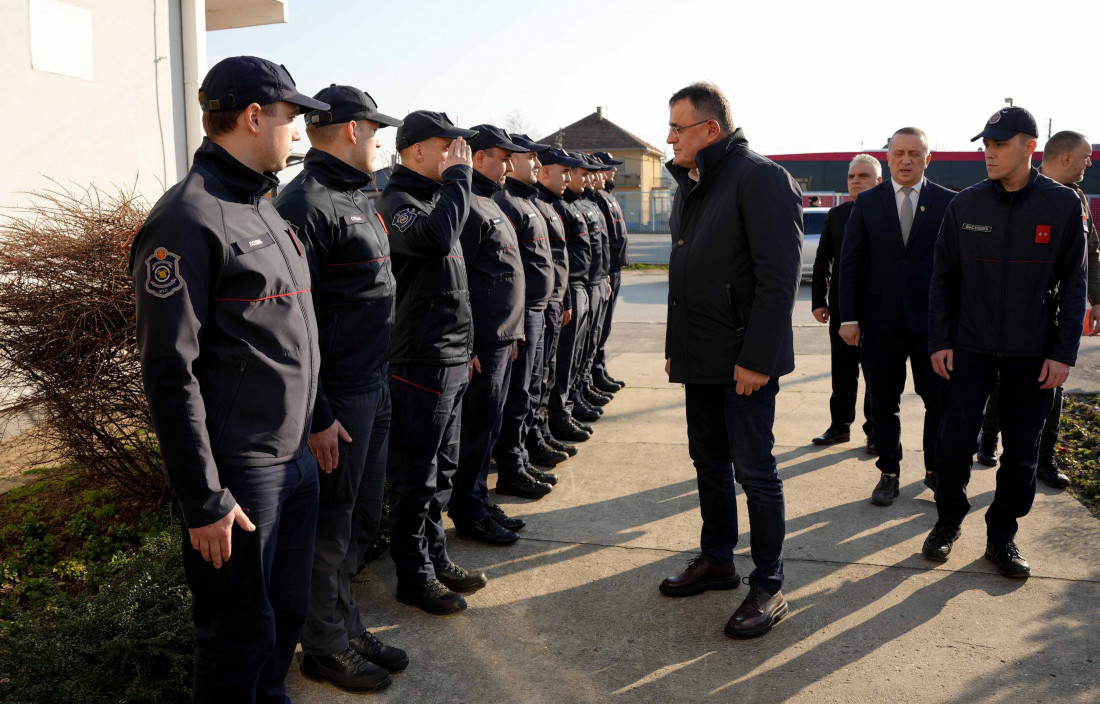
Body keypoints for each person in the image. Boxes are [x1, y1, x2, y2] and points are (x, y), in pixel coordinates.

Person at [131, 56, 328, 702]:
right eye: (291, 118)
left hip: (294, 461)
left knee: (284, 618)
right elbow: (169, 371)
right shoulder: (187, 218)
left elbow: (288, 333)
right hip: (240, 476)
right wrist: (202, 498)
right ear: (253, 117)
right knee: (235, 639)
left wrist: (319, 417)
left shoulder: (261, 205)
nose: (297, 133)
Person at [274, 84, 406, 692]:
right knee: (331, 524)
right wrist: (320, 413)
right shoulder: (304, 204)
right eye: (375, 131)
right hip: (339, 397)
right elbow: (296, 323)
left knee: (360, 519)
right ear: (353, 130)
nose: (378, 143)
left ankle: (344, 622)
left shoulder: (357, 194)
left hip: (373, 386)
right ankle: (323, 647)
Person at [660, 82, 802, 639]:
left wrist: (758, 359)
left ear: (711, 129)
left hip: (745, 363)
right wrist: (675, 348)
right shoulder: (692, 183)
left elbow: (777, 279)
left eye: (678, 128)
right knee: (709, 462)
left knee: (755, 471)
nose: (670, 138)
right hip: (699, 355)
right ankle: (718, 559)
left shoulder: (759, 177)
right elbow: (683, 277)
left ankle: (768, 584)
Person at [922, 107, 1087, 578]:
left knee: (1021, 452)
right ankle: (948, 521)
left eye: (1000, 144)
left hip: (1032, 354)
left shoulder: (1061, 205)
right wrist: (940, 340)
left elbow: (1074, 286)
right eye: (987, 145)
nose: (989, 153)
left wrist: (1062, 354)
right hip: (968, 350)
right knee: (953, 445)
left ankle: (1002, 536)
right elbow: (943, 279)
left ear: (1029, 147)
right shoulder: (966, 205)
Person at [377, 111, 487, 614]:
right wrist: (461, 179)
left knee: (442, 471)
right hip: (420, 360)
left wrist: (467, 348)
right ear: (417, 150)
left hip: (450, 356)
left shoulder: (437, 198)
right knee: (415, 477)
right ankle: (414, 575)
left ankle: (436, 558)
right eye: (447, 146)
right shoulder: (398, 201)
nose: (457, 155)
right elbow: (435, 240)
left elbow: (453, 284)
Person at [838, 127, 955, 506]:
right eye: (899, 153)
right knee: (883, 403)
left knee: (938, 402)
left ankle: (935, 471)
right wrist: (848, 317)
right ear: (888, 159)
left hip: (932, 328)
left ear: (927, 159)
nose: (906, 160)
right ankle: (889, 472)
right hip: (880, 324)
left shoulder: (948, 203)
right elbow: (851, 263)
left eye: (914, 153)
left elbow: (959, 269)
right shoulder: (868, 202)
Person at [975, 130, 1098, 488]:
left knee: (1053, 389)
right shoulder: (1022, 190)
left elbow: (1090, 254)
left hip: (1055, 314)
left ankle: (1044, 461)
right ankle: (988, 439)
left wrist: (1097, 300)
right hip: (1016, 314)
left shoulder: (1076, 199)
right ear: (1066, 157)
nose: (1089, 163)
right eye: (1086, 156)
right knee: (1002, 384)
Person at [449, 124, 550, 540]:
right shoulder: (468, 207)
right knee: (475, 432)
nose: (509, 166)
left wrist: (516, 330)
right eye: (503, 158)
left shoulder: (489, 202)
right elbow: (461, 283)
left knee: (489, 427)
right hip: (484, 342)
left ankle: (480, 499)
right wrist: (470, 344)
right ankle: (468, 510)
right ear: (478, 158)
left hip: (504, 338)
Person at [493, 134, 573, 475]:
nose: (537, 164)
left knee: (537, 382)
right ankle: (513, 461)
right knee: (519, 391)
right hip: (524, 312)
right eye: (532, 158)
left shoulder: (530, 202)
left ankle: (530, 445)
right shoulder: (506, 202)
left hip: (542, 307)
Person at [810, 154, 881, 451]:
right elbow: (822, 260)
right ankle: (839, 427)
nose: (855, 181)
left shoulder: (888, 215)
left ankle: (875, 432)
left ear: (879, 181)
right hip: (842, 308)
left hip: (878, 310)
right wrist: (818, 300)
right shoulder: (837, 216)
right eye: (852, 176)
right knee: (842, 372)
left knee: (877, 374)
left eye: (863, 176)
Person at [533, 148, 593, 446]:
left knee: (566, 360)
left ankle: (552, 421)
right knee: (547, 372)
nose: (569, 178)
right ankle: (551, 421)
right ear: (546, 172)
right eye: (565, 172)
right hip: (547, 302)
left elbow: (562, 259)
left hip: (569, 292)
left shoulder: (552, 205)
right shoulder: (541, 205)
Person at [550, 156, 600, 431]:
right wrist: (568, 297)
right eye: (570, 172)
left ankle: (572, 401)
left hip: (586, 283)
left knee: (580, 351)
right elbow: (560, 259)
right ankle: (560, 413)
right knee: (564, 359)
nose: (582, 179)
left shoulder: (574, 205)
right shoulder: (558, 207)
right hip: (571, 288)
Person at [574, 154, 616, 413]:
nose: (596, 177)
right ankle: (568, 404)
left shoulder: (591, 203)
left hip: (597, 280)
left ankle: (584, 386)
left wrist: (605, 275)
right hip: (581, 286)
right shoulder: (569, 206)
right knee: (572, 353)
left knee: (592, 340)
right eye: (588, 173)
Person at [590, 151, 629, 393]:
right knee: (599, 327)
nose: (614, 170)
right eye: (609, 167)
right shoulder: (597, 198)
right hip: (606, 270)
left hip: (614, 269)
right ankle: (595, 373)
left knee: (605, 327)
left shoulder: (607, 195)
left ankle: (600, 370)